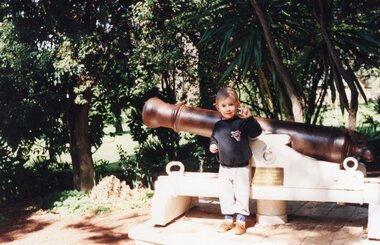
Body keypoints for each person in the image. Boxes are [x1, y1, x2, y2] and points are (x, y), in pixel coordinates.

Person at [210, 87, 262, 235]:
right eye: (224, 105)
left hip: (241, 166)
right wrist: (213, 145)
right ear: (218, 107)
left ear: (237, 104)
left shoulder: (242, 123)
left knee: (241, 193)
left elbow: (256, 133)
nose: (228, 109)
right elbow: (214, 138)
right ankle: (228, 220)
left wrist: (250, 119)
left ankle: (240, 221)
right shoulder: (218, 126)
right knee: (225, 193)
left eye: (231, 105)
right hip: (224, 167)